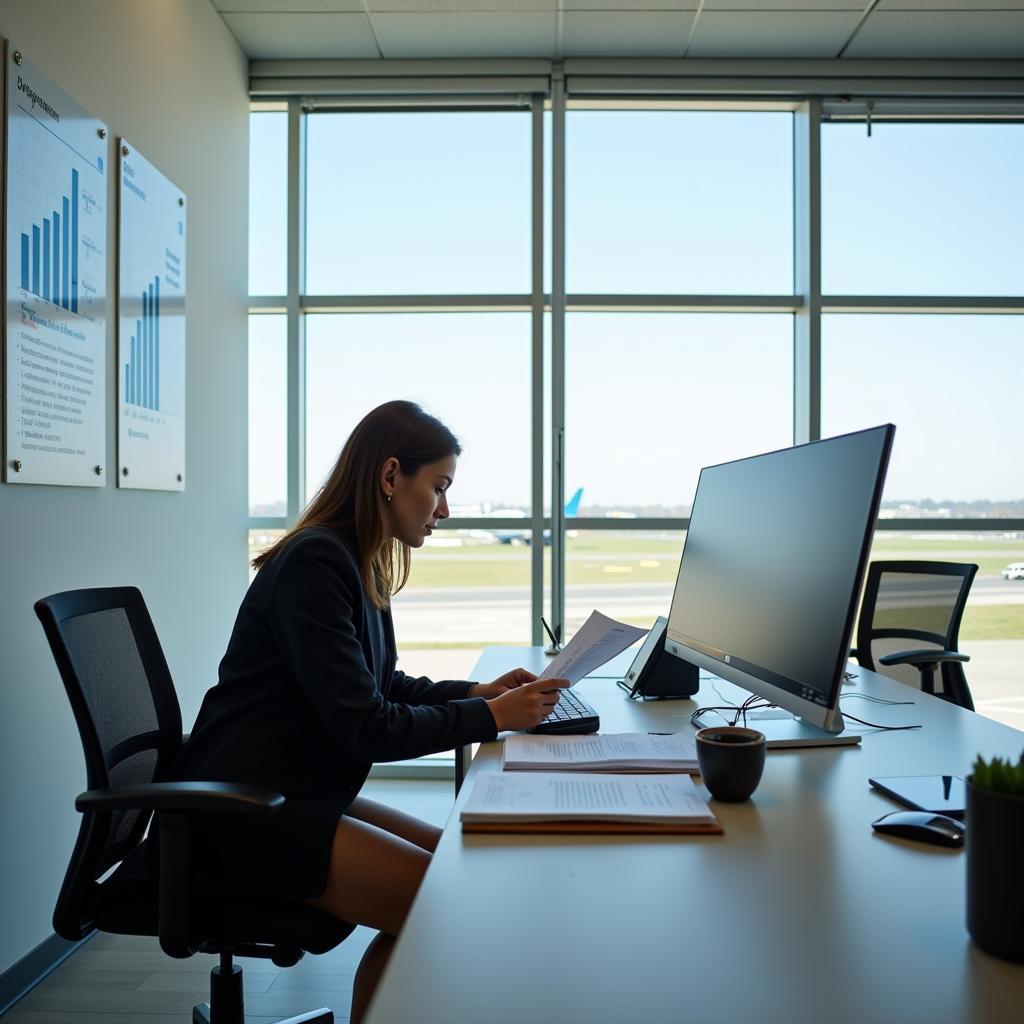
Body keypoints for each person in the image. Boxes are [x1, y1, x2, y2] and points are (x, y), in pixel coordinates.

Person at [171, 400, 569, 1022]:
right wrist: (494, 719)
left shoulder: (351, 558)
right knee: (448, 901)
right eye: (437, 488)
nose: (445, 510)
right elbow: (367, 727)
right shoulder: (316, 562)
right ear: (389, 478)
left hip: (289, 789)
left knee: (455, 869)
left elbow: (381, 684)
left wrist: (476, 695)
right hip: (241, 813)